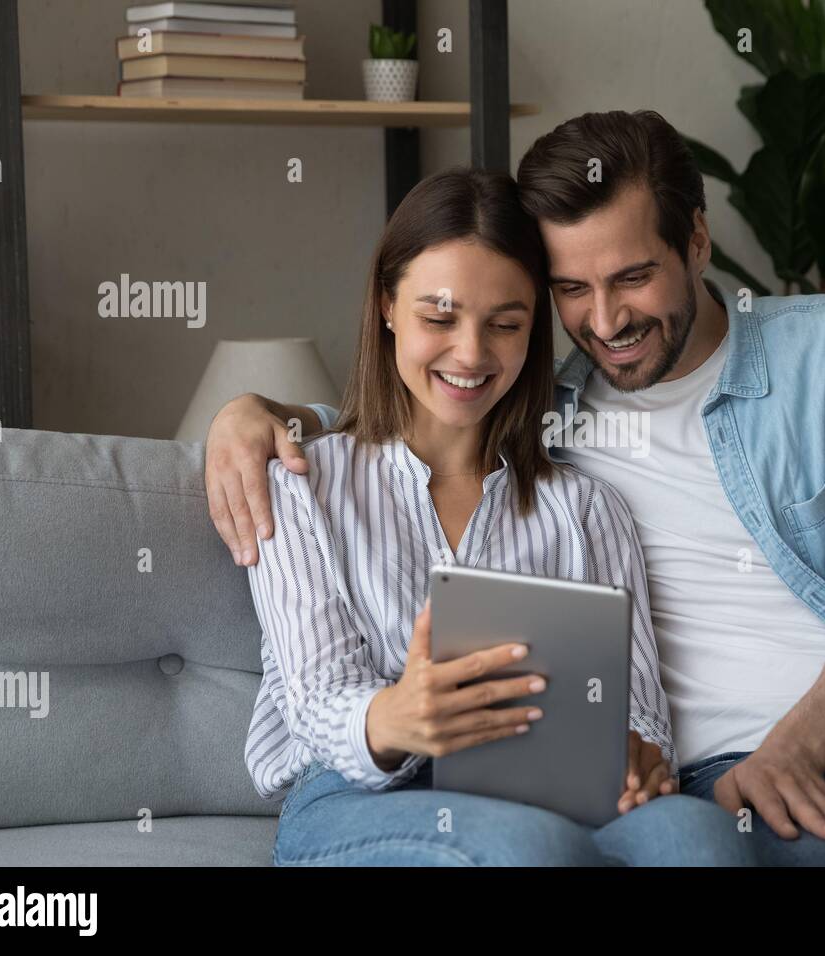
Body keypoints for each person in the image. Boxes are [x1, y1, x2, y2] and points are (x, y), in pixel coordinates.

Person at [209, 110, 825, 867]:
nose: (604, 320)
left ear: (696, 240)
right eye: (571, 291)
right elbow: (419, 402)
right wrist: (256, 412)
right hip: (726, 781)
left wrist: (790, 747)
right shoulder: (544, 402)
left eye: (631, 276)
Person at [235, 165, 755, 866]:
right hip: (357, 797)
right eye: (439, 318)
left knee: (701, 839)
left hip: (549, 790)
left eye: (505, 324)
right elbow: (317, 702)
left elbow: (637, 711)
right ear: (388, 305)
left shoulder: (586, 509)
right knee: (527, 849)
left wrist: (638, 759)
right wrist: (401, 716)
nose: (472, 354)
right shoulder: (304, 485)